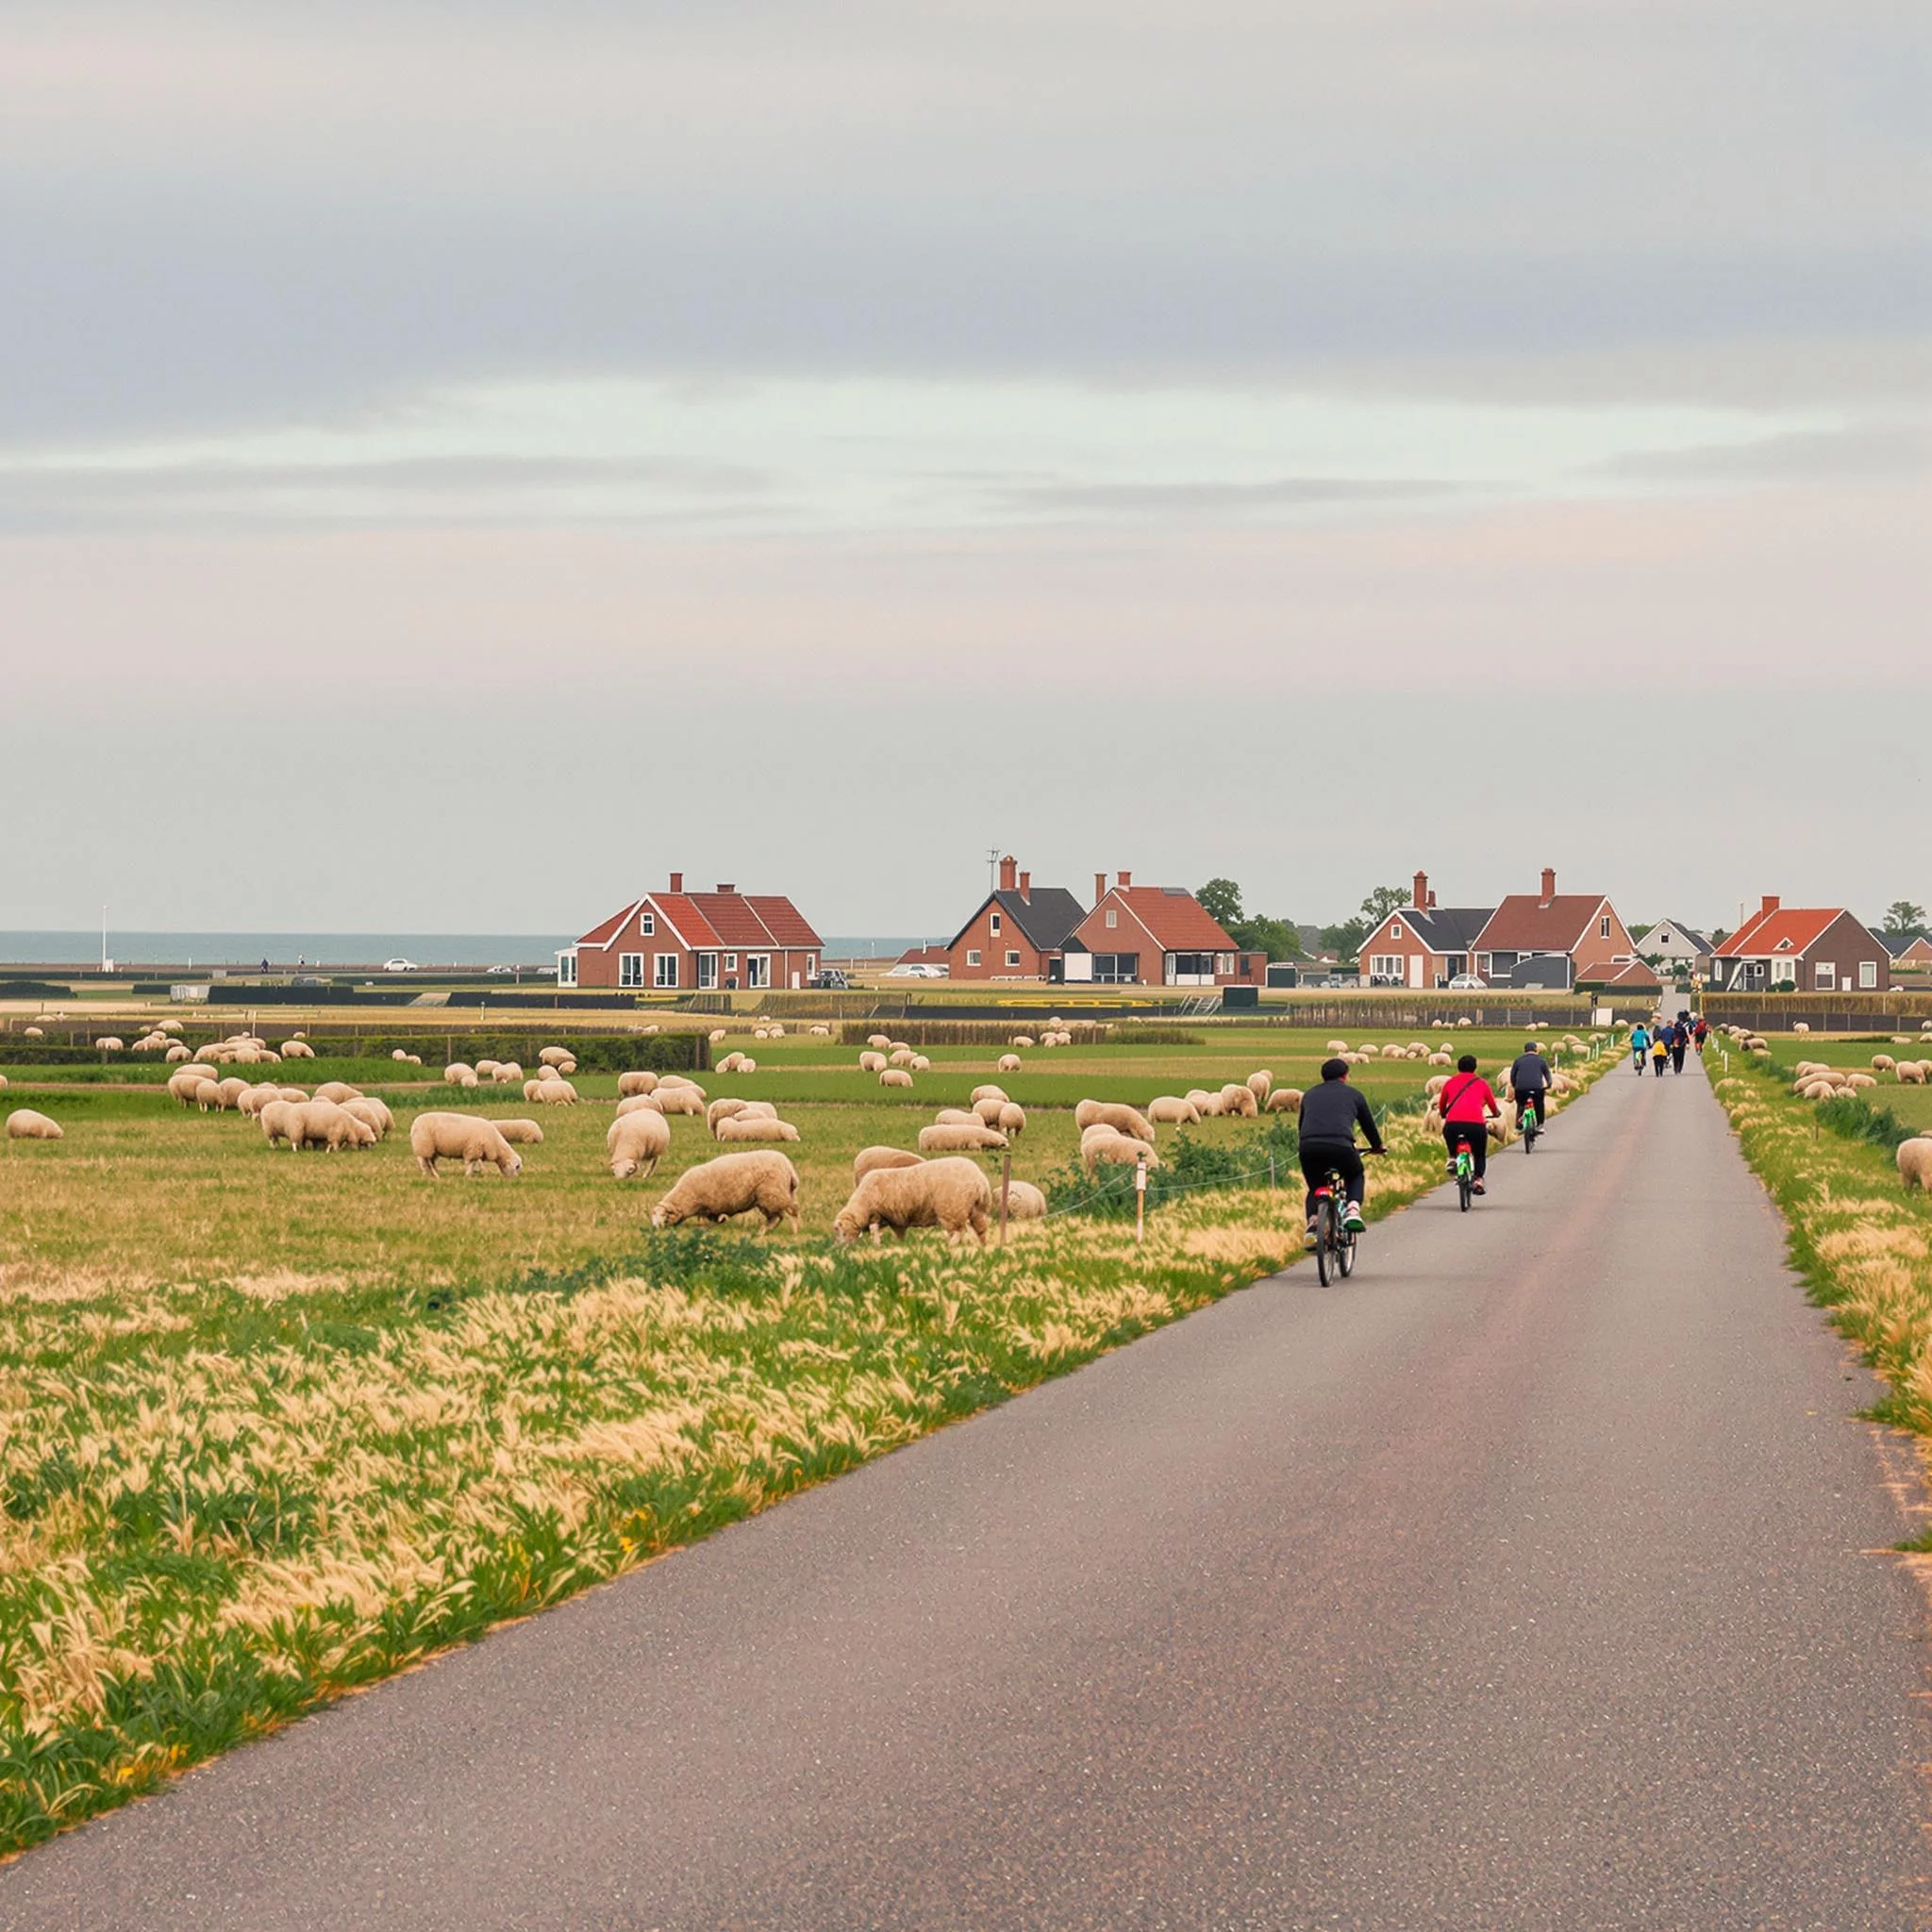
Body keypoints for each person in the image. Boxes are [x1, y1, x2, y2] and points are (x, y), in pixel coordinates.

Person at [1297, 1057, 1385, 1246]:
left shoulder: (1309, 1095)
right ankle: (1353, 1210)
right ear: (1345, 1076)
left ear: (1323, 1076)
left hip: (1309, 1147)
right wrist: (1377, 1146)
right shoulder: (1355, 1095)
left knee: (1315, 1187)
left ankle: (1313, 1224)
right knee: (1355, 1174)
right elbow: (1368, 1125)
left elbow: (1301, 1125)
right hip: (1341, 1146)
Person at [1439, 1053, 1501, 1194]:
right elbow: (1492, 1104)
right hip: (1476, 1125)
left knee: (1448, 1134)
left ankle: (1453, 1157)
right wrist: (1496, 1113)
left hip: (1453, 1125)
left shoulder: (1450, 1082)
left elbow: (1442, 1104)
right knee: (1479, 1153)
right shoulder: (1482, 1083)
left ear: (1458, 1067)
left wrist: (1443, 1114)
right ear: (1475, 1068)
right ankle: (1478, 1179)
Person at [1509, 1039, 1554, 1131]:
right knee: (1539, 1105)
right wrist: (1549, 1084)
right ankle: (1540, 1125)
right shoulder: (1541, 1060)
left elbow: (1513, 1076)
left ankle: (1518, 1125)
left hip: (1521, 1089)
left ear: (1525, 1050)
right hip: (1537, 1089)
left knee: (1521, 1105)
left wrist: (1515, 1085)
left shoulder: (1518, 1061)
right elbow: (1547, 1074)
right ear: (1536, 1050)